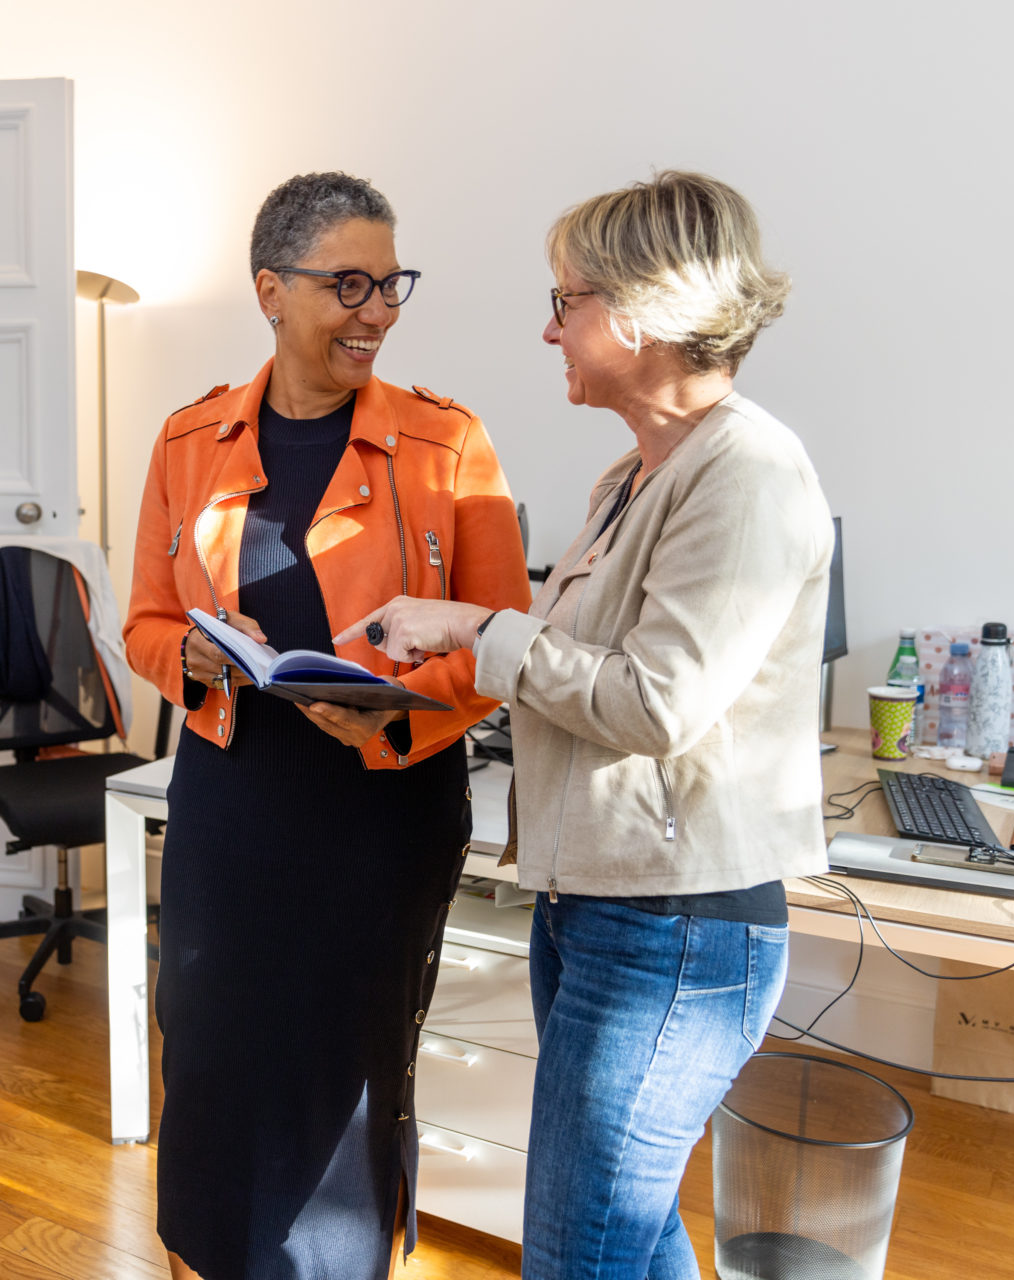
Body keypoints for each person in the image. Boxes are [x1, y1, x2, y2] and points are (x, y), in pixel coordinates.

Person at [337, 171, 833, 1278]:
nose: (548, 325)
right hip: (597, 907)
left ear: (648, 307)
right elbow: (584, 669)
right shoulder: (633, 473)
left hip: (676, 931)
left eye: (567, 300)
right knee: (631, 1236)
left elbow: (659, 701)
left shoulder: (747, 471)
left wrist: (476, 625)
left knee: (578, 1252)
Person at [124, 172, 532, 1280]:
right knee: (207, 1045)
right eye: (347, 282)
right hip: (231, 804)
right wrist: (193, 657)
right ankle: (202, 1254)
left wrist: (393, 722)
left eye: (389, 282)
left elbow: (500, 647)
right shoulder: (187, 438)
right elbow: (145, 626)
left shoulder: (450, 445)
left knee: (348, 1067)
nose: (377, 310)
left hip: (381, 813)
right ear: (271, 289)